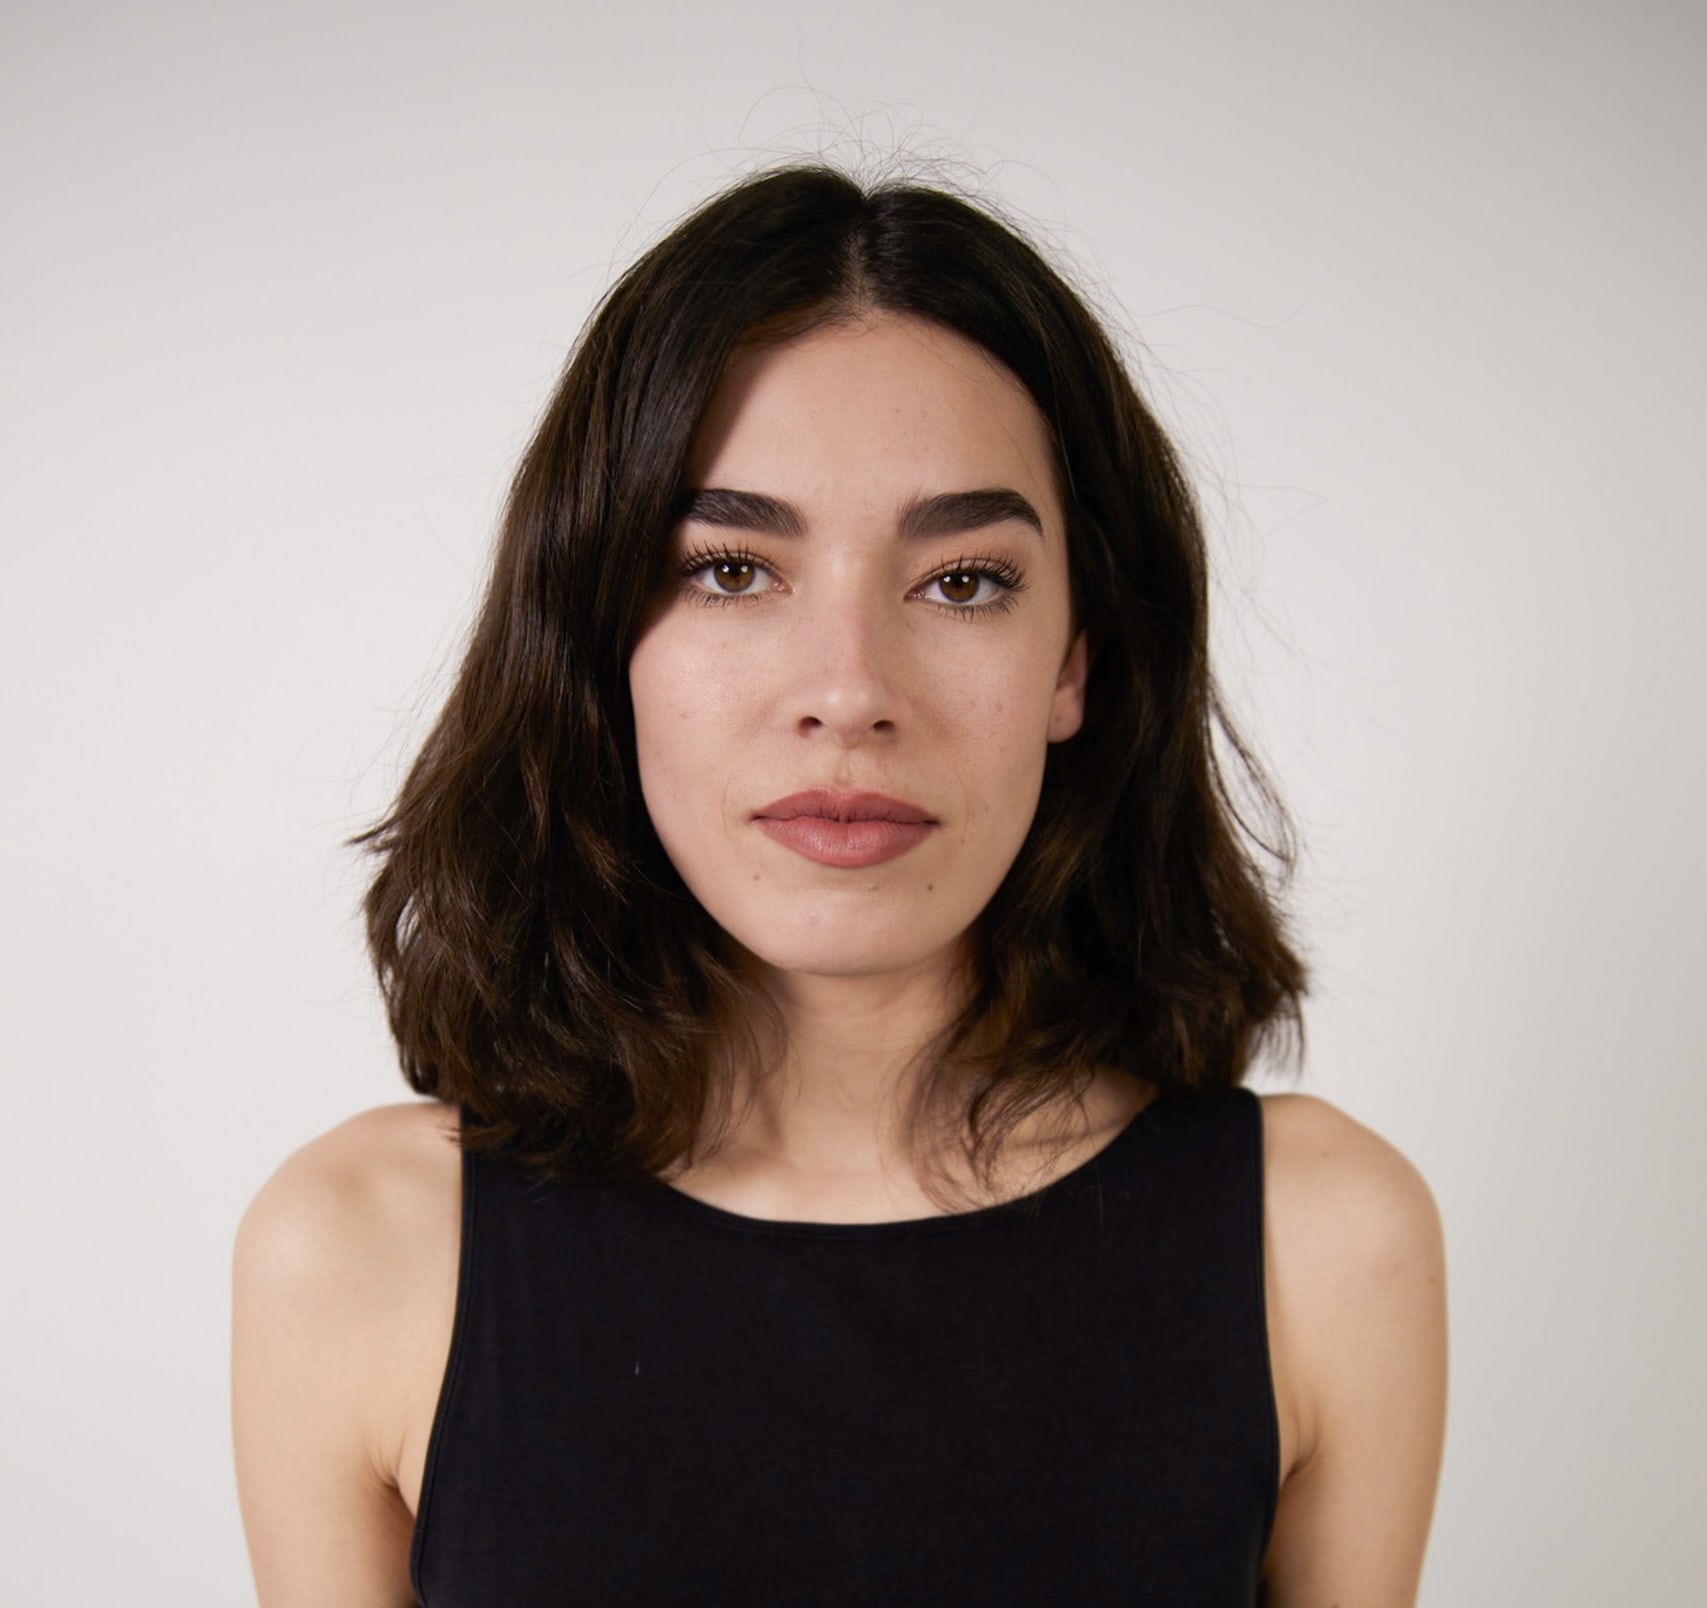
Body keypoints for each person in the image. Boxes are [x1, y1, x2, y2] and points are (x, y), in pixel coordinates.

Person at [232, 164, 1447, 1606]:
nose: (849, 692)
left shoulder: (1317, 1244)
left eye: (964, 581)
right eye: (733, 569)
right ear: (598, 635)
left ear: (1080, 658)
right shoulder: (358, 1255)